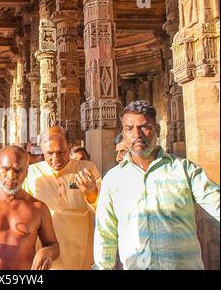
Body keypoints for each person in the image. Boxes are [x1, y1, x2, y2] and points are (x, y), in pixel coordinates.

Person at [94, 100, 220, 270]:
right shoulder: (113, 179)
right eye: (129, 129)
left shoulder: (184, 170)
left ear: (157, 130)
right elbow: (105, 232)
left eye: (144, 127)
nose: (136, 134)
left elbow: (216, 203)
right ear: (123, 134)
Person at [0, 146, 60, 270]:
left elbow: (54, 246)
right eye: (6, 169)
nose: (11, 176)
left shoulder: (38, 208)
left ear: (26, 172)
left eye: (18, 170)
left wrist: (47, 252)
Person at [23, 126, 101, 269]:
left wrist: (91, 192)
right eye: (50, 153)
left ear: (70, 146)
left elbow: (103, 210)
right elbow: (23, 213)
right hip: (46, 258)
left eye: (61, 152)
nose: (56, 159)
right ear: (42, 150)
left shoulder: (87, 169)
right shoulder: (33, 173)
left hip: (81, 257)